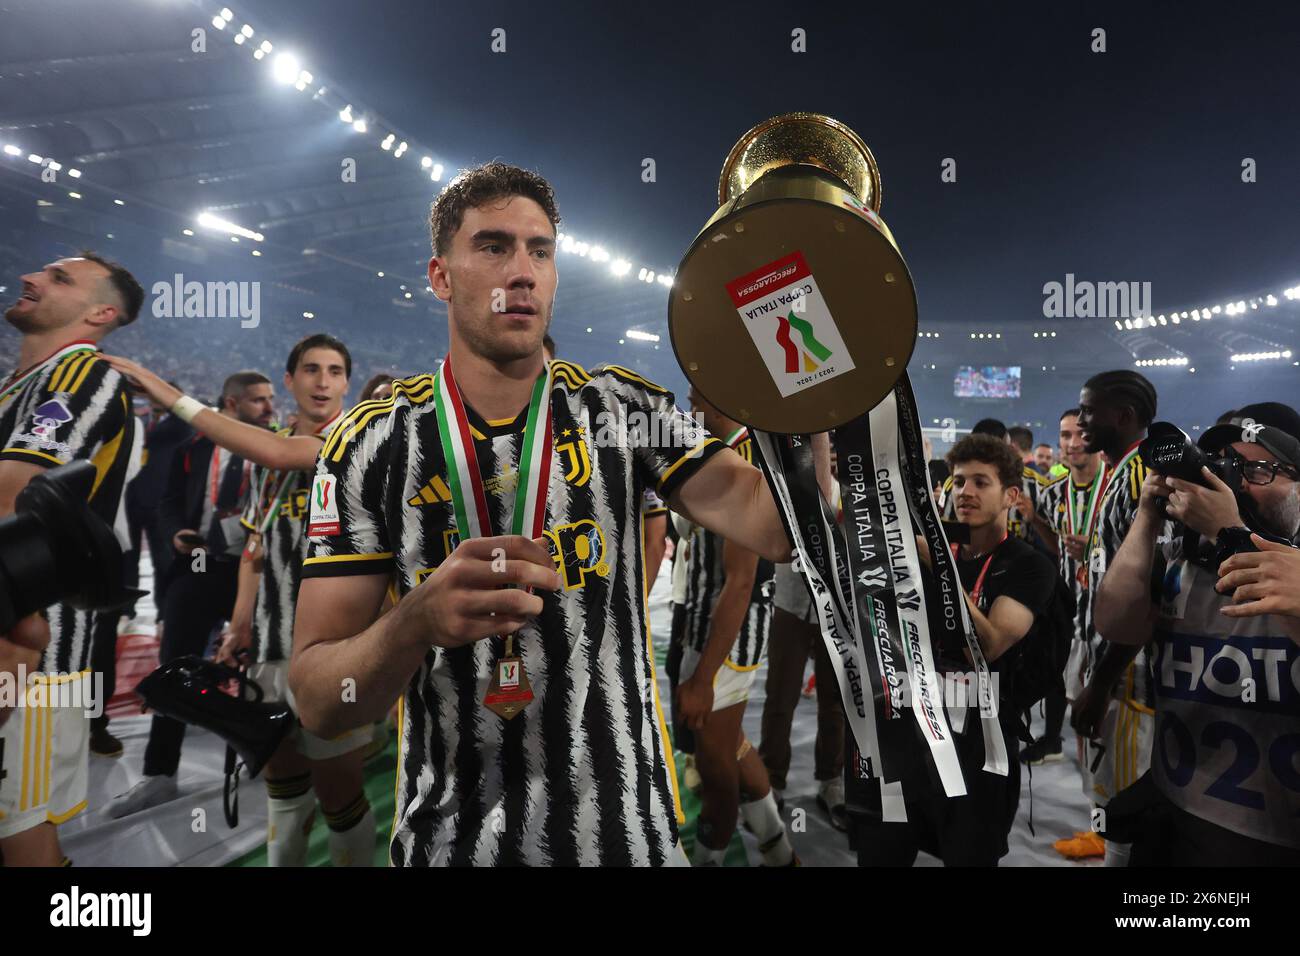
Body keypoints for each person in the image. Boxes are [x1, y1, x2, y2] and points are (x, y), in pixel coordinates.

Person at [285, 162, 820, 866]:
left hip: (626, 838)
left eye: (540, 251)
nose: (524, 271)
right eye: (494, 246)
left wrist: (806, 328)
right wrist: (413, 623)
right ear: (441, 276)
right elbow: (322, 700)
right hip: (453, 842)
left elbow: (779, 527)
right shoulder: (372, 441)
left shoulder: (625, 411)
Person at [109, 335, 378, 867]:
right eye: (310, 369)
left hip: (334, 652)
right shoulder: (268, 457)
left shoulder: (359, 442)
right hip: (270, 646)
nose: (322, 381)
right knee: (282, 782)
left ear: (347, 383)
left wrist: (168, 395)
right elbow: (254, 548)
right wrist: (238, 626)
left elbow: (276, 450)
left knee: (338, 790)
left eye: (334, 371)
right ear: (290, 380)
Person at [1094, 402, 1300, 864]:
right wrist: (1147, 516)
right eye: (1226, 467)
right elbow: (1114, 623)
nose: (1237, 484)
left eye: (1259, 469)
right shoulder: (1182, 557)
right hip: (1177, 812)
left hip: (1277, 837)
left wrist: (1231, 530)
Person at [0, 252, 143, 866]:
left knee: (22, 832)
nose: (30, 278)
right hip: (17, 638)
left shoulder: (82, 376)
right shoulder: (22, 384)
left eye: (59, 277)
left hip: (38, 653)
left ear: (101, 312)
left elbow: (11, 494)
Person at [854, 434, 1055, 866]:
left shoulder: (1028, 564)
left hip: (978, 752)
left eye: (981, 482)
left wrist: (942, 566)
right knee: (879, 855)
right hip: (906, 739)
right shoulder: (924, 551)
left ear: (1011, 496)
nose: (965, 492)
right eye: (960, 481)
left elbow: (988, 644)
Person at [106, 370, 272, 818]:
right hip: (198, 566)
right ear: (232, 404)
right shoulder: (193, 448)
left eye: (271, 399)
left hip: (251, 573)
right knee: (174, 665)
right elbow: (167, 503)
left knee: (257, 668)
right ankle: (160, 773)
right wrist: (175, 531)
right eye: (259, 401)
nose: (270, 409)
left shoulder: (276, 449)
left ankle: (262, 759)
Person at [675, 390, 793, 866]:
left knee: (715, 766)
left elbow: (741, 582)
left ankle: (708, 859)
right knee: (731, 745)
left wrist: (703, 677)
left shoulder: (745, 463)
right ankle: (780, 852)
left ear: (723, 401)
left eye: (695, 401)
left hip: (728, 637)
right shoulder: (717, 454)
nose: (690, 412)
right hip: (708, 625)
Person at [1070, 369, 1160, 867]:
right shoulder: (1120, 470)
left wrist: (1102, 681)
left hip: (1132, 679)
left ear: (1123, 416)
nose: (1081, 420)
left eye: (1088, 410)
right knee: (1109, 792)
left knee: (1127, 804)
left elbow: (1147, 597)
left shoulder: (1143, 476)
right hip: (1112, 668)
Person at [1024, 409, 1103, 772]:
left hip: (1108, 603)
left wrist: (1093, 547)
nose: (1072, 444)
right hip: (1067, 596)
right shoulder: (1052, 492)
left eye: (1080, 435)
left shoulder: (1118, 486)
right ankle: (1052, 739)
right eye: (1065, 436)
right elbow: (1056, 548)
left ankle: (1102, 752)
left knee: (1103, 680)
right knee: (1057, 670)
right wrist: (1036, 521)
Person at [759, 557, 847, 829]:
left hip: (840, 602)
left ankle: (831, 780)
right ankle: (770, 778)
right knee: (780, 696)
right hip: (791, 598)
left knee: (835, 700)